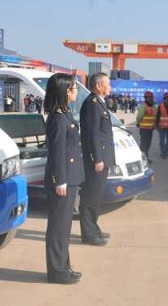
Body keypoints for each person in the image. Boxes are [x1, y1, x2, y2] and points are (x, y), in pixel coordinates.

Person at [43, 73, 84, 284]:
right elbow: (57, 153)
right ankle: (57, 271)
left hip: (71, 177)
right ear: (65, 91)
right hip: (63, 179)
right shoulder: (58, 119)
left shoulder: (65, 114)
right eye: (73, 88)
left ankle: (64, 266)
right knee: (59, 227)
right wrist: (60, 180)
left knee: (64, 226)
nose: (76, 91)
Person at [79, 72, 114, 246]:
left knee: (96, 196)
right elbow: (92, 134)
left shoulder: (99, 103)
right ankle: (88, 234)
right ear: (99, 86)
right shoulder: (92, 104)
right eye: (108, 84)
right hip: (97, 159)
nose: (110, 87)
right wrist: (97, 158)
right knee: (90, 196)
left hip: (102, 157)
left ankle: (93, 228)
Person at [136, 91, 156, 162]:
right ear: (145, 98)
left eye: (150, 97)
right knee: (144, 144)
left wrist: (154, 125)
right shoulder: (143, 106)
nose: (149, 99)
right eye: (148, 97)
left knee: (148, 144)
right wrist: (138, 123)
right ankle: (142, 159)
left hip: (150, 129)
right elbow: (139, 117)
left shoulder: (153, 106)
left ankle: (145, 157)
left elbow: (154, 117)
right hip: (144, 129)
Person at [155, 92, 168, 159]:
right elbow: (157, 116)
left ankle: (165, 152)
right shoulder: (160, 106)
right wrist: (156, 125)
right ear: (164, 99)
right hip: (162, 127)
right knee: (162, 141)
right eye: (166, 98)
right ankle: (162, 153)